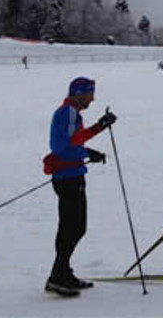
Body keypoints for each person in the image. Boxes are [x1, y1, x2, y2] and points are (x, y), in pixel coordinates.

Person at [42, 76, 116, 297]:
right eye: (90, 94)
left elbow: (74, 140)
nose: (92, 99)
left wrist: (97, 131)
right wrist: (87, 151)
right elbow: (63, 146)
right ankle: (57, 276)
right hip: (68, 177)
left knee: (72, 227)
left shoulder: (70, 113)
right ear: (78, 93)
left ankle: (63, 272)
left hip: (68, 175)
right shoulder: (68, 112)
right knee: (73, 227)